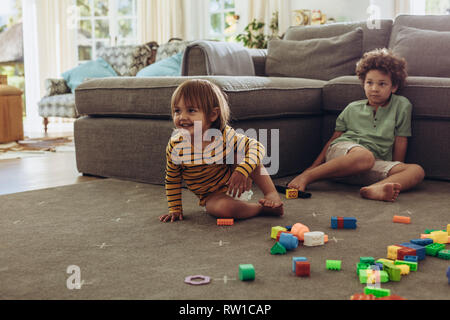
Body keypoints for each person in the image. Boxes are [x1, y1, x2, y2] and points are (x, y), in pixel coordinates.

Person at [288, 48, 425, 202]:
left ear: (393, 87)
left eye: (382, 84)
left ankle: (376, 188)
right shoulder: (352, 108)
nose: (374, 88)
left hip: (370, 165)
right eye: (369, 83)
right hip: (343, 153)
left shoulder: (402, 105)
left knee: (416, 170)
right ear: (363, 83)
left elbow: (401, 139)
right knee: (364, 156)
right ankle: (309, 177)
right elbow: (333, 140)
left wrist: (396, 168)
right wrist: (310, 169)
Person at [160, 79, 283, 222]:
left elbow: (258, 147)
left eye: (191, 110)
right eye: (177, 111)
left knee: (244, 153)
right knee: (223, 209)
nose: (182, 117)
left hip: (238, 180)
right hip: (212, 196)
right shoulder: (176, 146)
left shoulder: (224, 135)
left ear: (213, 115)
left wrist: (242, 170)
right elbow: (172, 179)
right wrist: (175, 209)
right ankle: (262, 209)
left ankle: (271, 194)